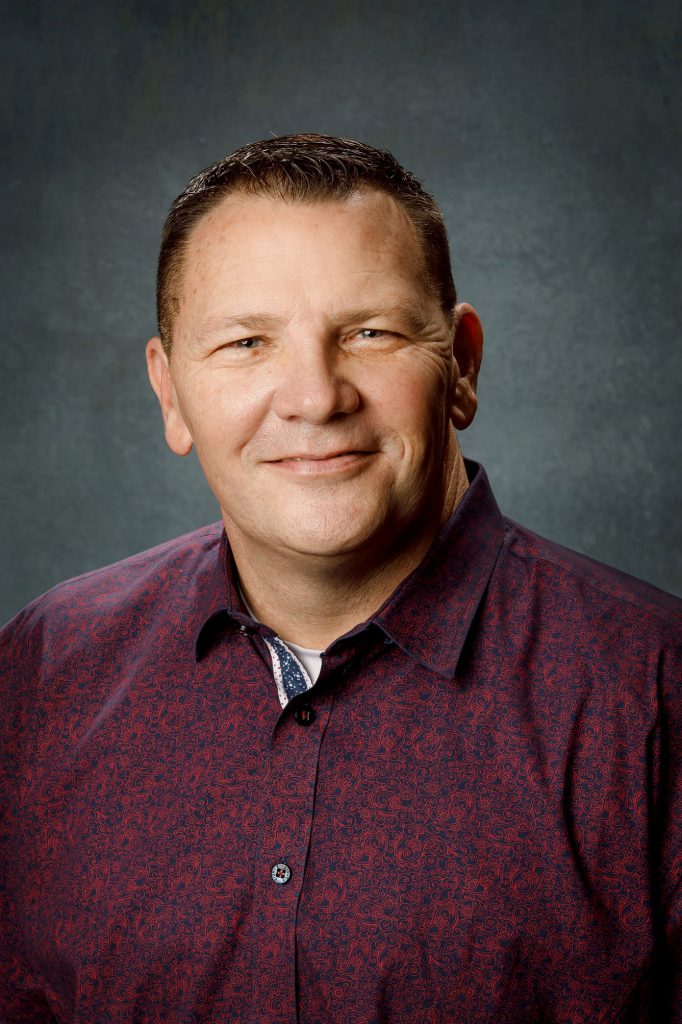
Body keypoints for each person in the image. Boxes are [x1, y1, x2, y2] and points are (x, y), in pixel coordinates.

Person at [1, 134, 679, 1024]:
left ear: (461, 365)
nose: (316, 397)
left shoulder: (655, 692)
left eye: (369, 333)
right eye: (247, 342)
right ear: (170, 394)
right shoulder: (45, 670)